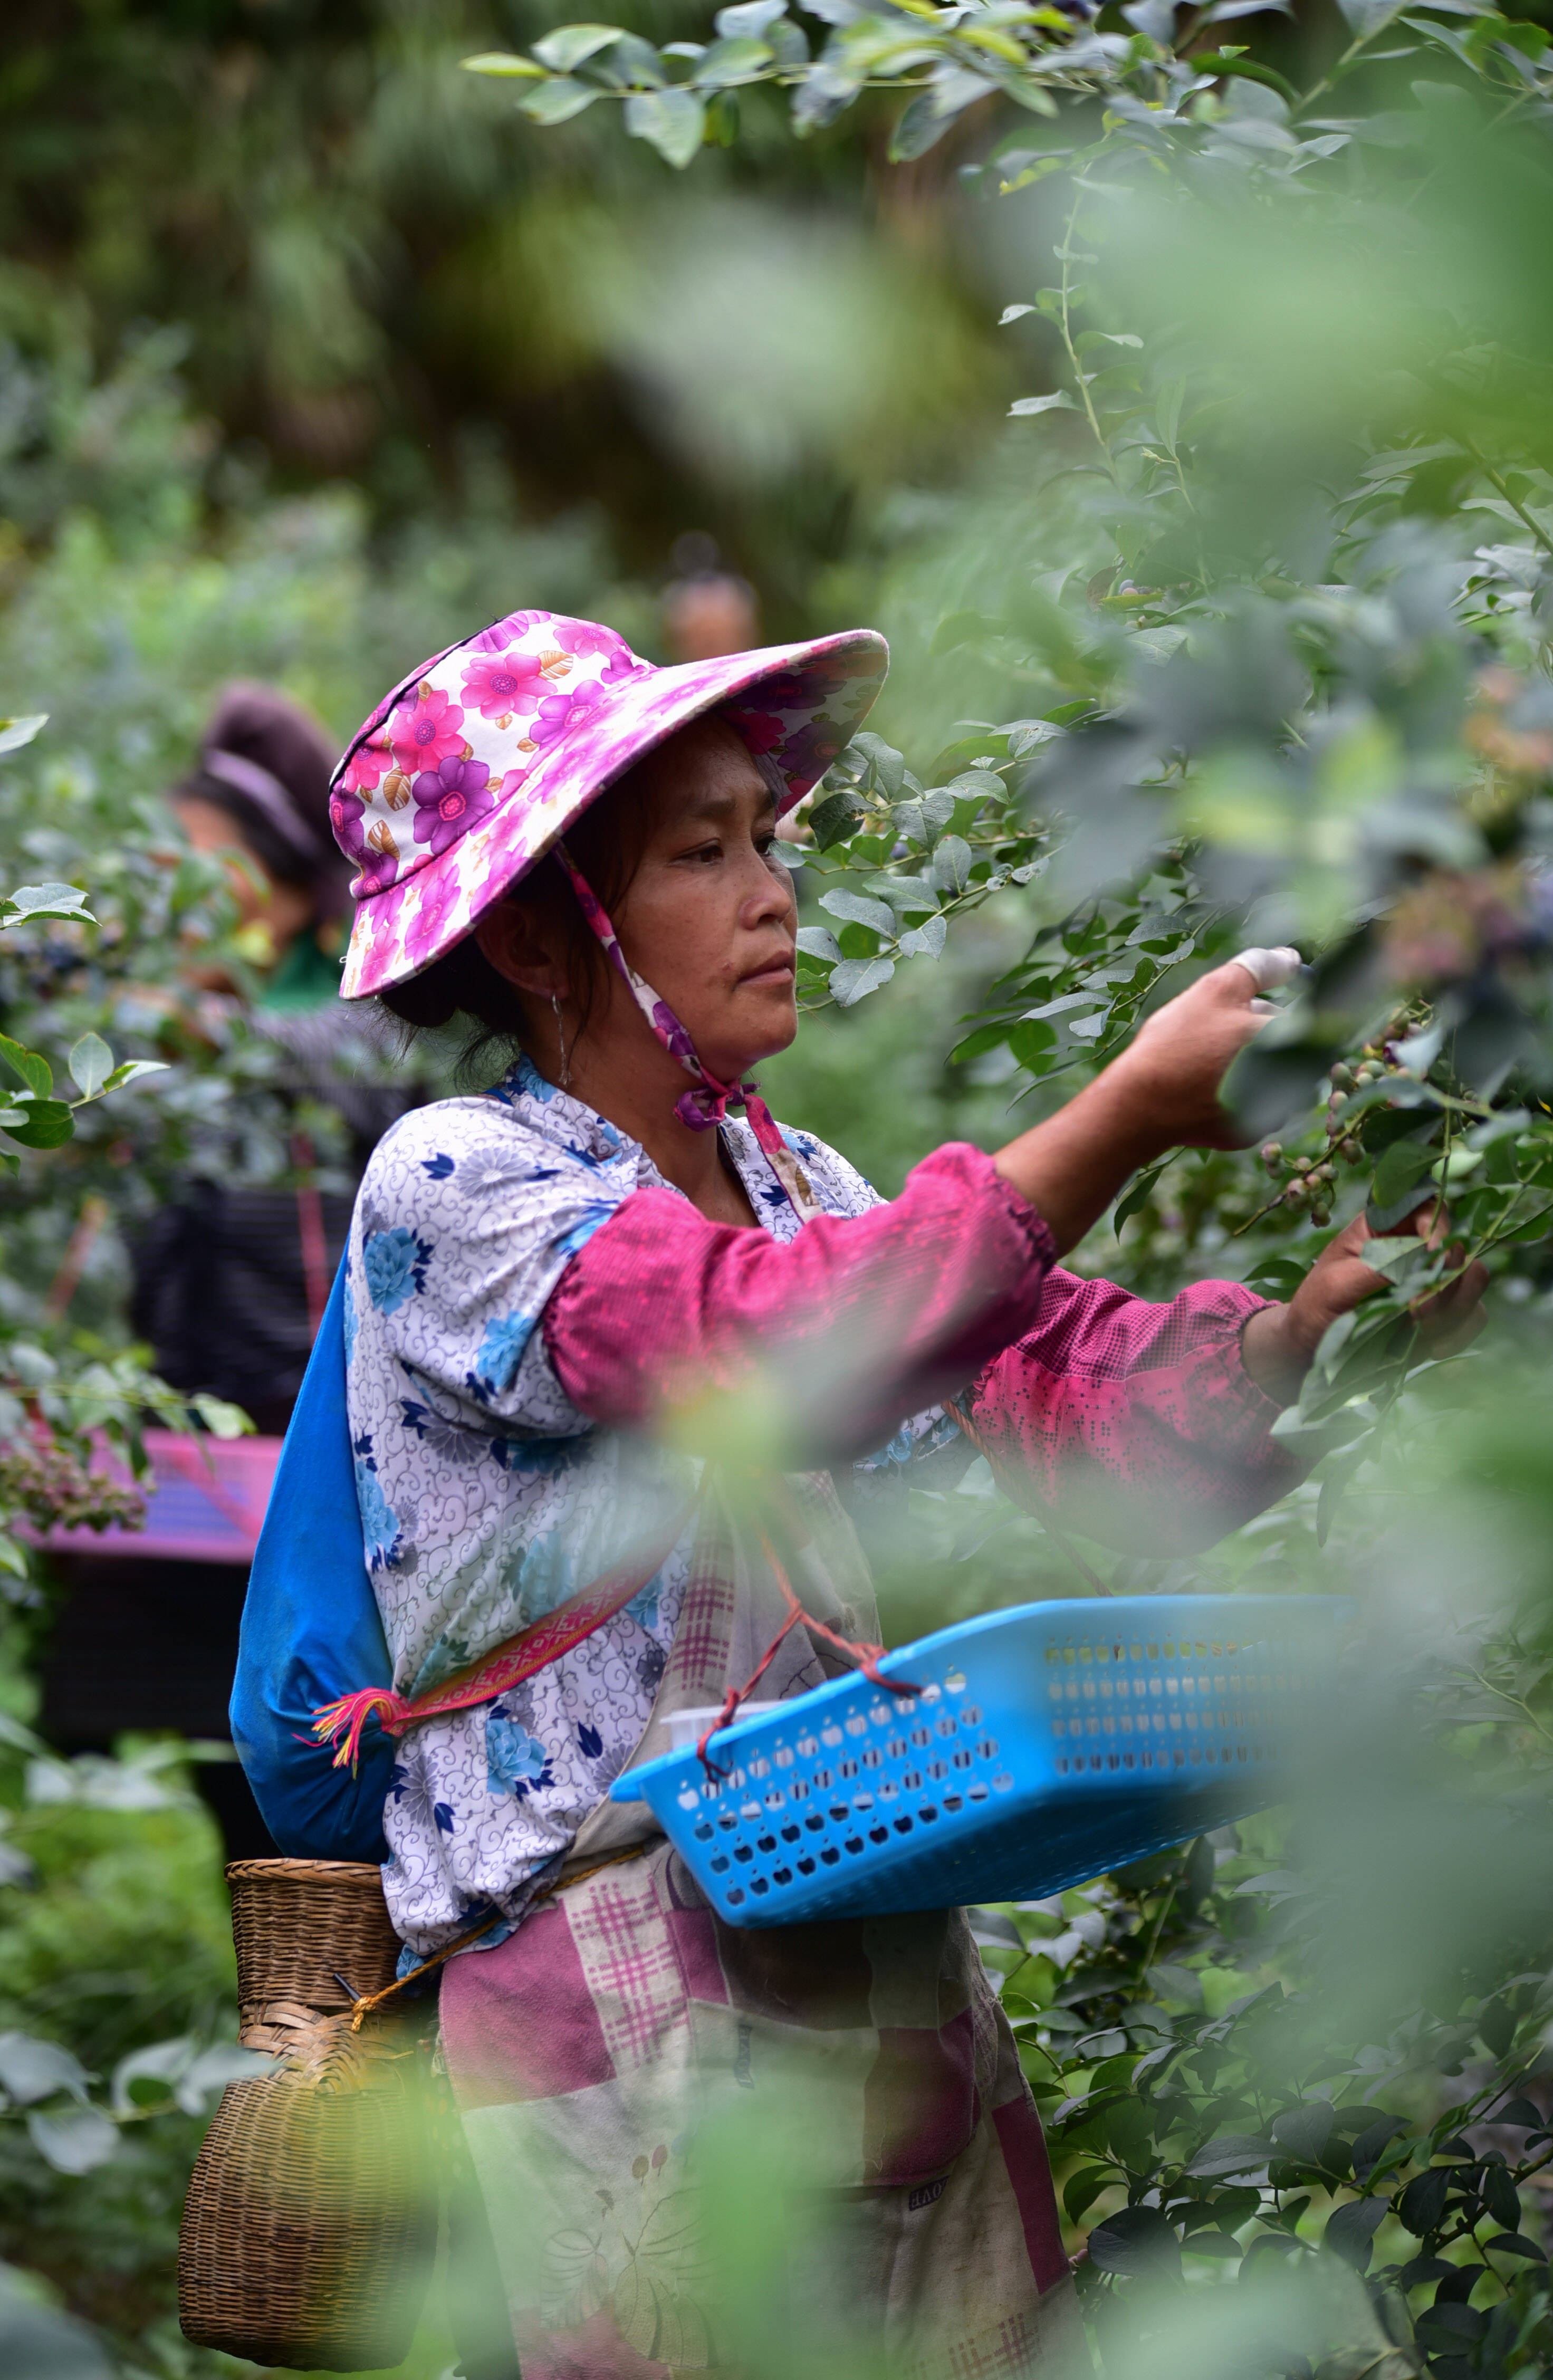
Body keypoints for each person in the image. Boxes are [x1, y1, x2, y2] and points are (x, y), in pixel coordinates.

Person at [233, 610, 1487, 2379]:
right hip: (617, 1992)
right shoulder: (457, 1184)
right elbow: (762, 1349)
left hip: (872, 1945)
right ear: (532, 927)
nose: (770, 889)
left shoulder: (793, 1178)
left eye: (764, 837)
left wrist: (1303, 1333)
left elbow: (1052, 1398)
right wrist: (1116, 1113)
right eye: (699, 850)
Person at [38, 685, 420, 1863]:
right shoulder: (166, 1038)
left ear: (303, 902)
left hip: (301, 1478)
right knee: (247, 1803)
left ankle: (342, 2028)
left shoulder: (345, 1029)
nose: (178, 908)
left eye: (208, 879)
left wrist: (138, 1012)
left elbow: (290, 1064)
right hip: (183, 1499)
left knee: (314, 1795)